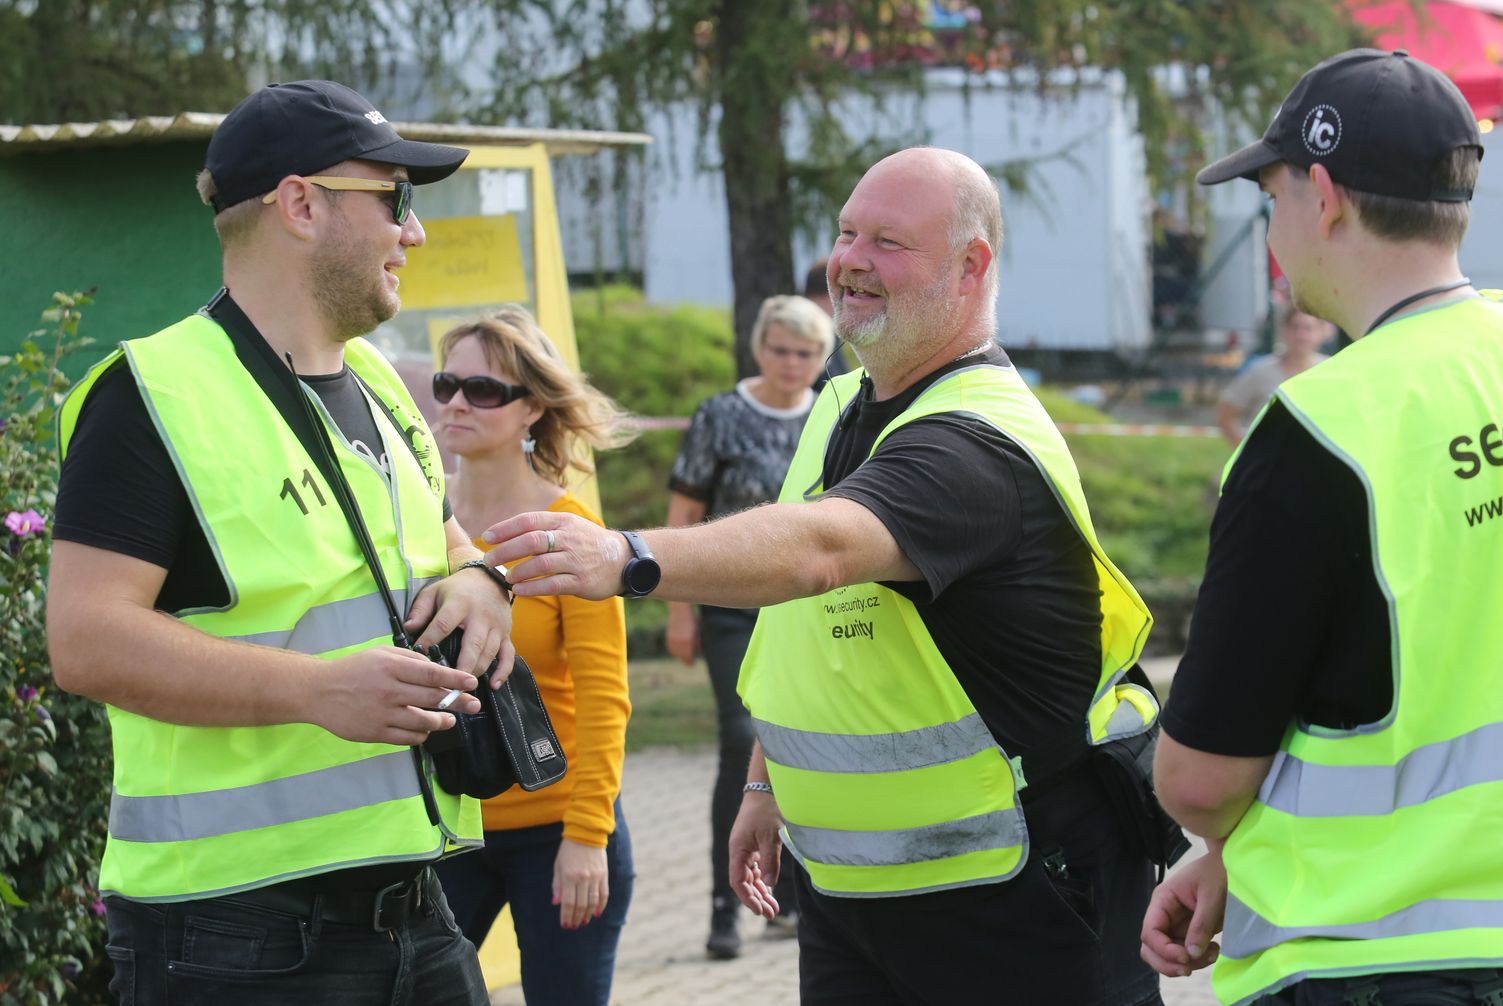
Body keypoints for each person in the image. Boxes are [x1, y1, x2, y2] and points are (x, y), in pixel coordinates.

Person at [482, 146, 1167, 1005]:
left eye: (888, 242)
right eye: (845, 233)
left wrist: (623, 557)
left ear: (970, 266)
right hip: (853, 896)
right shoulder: (844, 403)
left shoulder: (975, 442)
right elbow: (811, 633)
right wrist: (764, 782)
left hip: (1016, 892)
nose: (850, 260)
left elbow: (819, 553)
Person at [46, 80, 515, 1004]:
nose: (415, 232)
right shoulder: (150, 394)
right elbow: (85, 640)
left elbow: (448, 542)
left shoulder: (376, 380)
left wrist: (481, 580)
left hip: (416, 908)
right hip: (229, 932)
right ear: (300, 204)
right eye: (395, 199)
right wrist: (317, 691)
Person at [1139, 50, 1503, 1006]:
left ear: (1325, 196)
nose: (1272, 229)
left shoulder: (1315, 429)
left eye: (1271, 197)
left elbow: (1199, 783)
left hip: (1369, 951)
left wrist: (1226, 837)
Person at [430, 307, 635, 1005]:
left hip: (558, 832)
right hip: (445, 830)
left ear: (533, 409)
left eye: (483, 390)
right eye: (447, 384)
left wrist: (588, 837)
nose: (457, 403)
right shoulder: (418, 522)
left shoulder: (568, 533)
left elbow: (605, 699)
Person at [664, 293, 834, 958]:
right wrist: (679, 608)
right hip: (731, 606)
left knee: (804, 742)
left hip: (808, 609)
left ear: (822, 358)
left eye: (806, 353)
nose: (792, 363)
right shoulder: (721, 415)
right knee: (743, 740)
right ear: (760, 348)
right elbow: (684, 514)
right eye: (781, 350)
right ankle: (723, 904)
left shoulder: (832, 413)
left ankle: (788, 897)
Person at [1216, 306, 1331, 447]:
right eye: (1294, 327)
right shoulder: (1261, 371)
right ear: (1284, 330)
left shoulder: (1331, 371)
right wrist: (1248, 452)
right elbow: (1227, 415)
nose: (1300, 335)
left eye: (1308, 328)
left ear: (1322, 332)